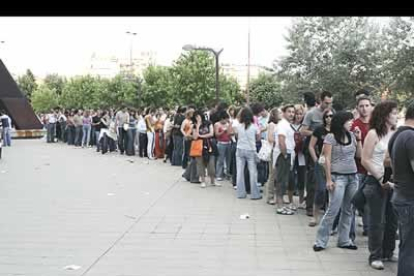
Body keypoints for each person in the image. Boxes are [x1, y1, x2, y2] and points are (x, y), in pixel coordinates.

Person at [313, 111, 361, 252]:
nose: (352, 123)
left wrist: (359, 139)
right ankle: (321, 241)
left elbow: (359, 155)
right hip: (337, 176)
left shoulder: (352, 136)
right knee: (333, 209)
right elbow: (326, 158)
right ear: (341, 122)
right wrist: (328, 179)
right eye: (349, 121)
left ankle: (344, 240)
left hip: (353, 176)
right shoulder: (331, 137)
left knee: (349, 210)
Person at [361, 100, 398, 270]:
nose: (397, 116)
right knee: (378, 221)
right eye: (394, 113)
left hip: (393, 182)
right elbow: (365, 159)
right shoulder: (373, 134)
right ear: (385, 115)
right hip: (375, 182)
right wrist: (380, 178)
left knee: (392, 220)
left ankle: (388, 251)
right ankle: (374, 256)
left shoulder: (396, 133)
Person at [388, 99, 414, 276]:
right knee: (409, 250)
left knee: (407, 247)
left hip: (402, 196)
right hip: (409, 200)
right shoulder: (411, 137)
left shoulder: (398, 134)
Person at [301, 90, 333, 217]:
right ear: (320, 100)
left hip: (328, 152)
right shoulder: (311, 114)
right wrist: (317, 133)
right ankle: (310, 206)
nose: (328, 106)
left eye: (330, 103)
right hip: (314, 149)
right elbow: (303, 131)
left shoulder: (331, 113)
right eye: (326, 103)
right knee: (312, 180)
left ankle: (323, 205)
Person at [308, 109, 333, 227]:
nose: (329, 118)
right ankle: (315, 215)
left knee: (332, 191)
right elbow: (311, 146)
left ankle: (329, 218)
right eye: (327, 116)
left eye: (331, 116)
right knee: (321, 189)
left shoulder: (337, 130)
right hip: (321, 162)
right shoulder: (319, 130)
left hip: (334, 163)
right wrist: (316, 160)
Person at [235, 107, 261, 200]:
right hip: (251, 150)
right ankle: (254, 194)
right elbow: (258, 138)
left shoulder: (239, 126)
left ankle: (240, 193)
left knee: (240, 172)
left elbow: (237, 136)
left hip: (239, 149)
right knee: (253, 172)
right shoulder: (255, 127)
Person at [275, 105, 296, 215]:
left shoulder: (287, 125)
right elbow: (281, 140)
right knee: (281, 181)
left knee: (284, 180)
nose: (291, 114)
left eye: (293, 112)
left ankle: (281, 204)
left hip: (288, 154)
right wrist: (285, 154)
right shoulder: (283, 125)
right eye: (289, 111)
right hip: (284, 154)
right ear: (283, 113)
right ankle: (280, 206)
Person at [192, 110, 217, 188]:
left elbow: (211, 133)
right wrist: (198, 125)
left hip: (209, 145)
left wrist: (201, 136)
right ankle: (202, 180)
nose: (197, 118)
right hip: (199, 146)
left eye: (198, 116)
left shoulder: (208, 123)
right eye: (196, 117)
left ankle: (213, 180)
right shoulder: (194, 126)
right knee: (200, 164)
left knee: (211, 164)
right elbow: (195, 137)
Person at [288, 104, 306, 208]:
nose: (298, 116)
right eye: (297, 114)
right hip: (291, 154)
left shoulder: (304, 126)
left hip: (301, 154)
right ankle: (290, 201)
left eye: (301, 114)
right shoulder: (289, 125)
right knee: (290, 177)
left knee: (302, 177)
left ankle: (301, 200)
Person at [264, 108, 280, 205]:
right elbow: (270, 138)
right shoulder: (272, 125)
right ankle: (270, 196)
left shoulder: (280, 125)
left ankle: (277, 195)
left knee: (278, 175)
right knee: (273, 174)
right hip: (274, 151)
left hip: (278, 151)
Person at [214, 110, 232, 181]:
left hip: (228, 143)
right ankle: (219, 174)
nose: (224, 121)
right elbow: (216, 135)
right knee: (220, 159)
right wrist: (222, 131)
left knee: (228, 160)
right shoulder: (217, 124)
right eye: (223, 119)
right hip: (221, 143)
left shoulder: (228, 124)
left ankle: (227, 173)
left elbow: (230, 134)